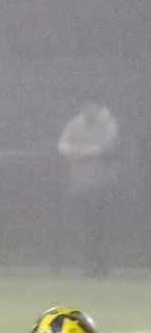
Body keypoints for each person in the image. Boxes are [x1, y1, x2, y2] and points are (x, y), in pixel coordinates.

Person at [58, 102, 120, 277]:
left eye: (90, 106)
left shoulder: (108, 123)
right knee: (86, 227)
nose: (87, 110)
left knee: (102, 228)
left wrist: (79, 152)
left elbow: (105, 148)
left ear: (97, 107)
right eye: (84, 107)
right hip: (81, 186)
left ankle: (103, 268)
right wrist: (85, 152)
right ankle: (90, 268)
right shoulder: (76, 123)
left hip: (104, 185)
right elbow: (62, 146)